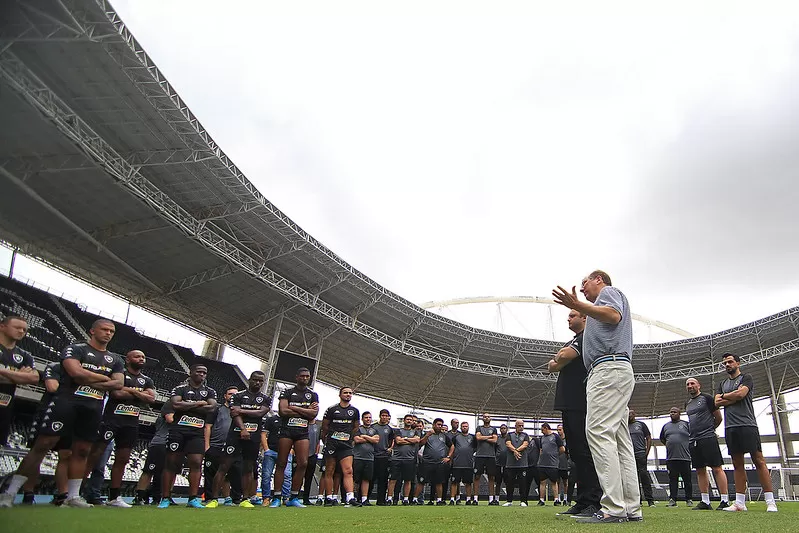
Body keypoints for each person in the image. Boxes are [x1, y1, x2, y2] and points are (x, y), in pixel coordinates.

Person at [0, 319, 124, 509]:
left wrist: (88, 377)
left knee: (82, 450)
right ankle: (9, 493)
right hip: (66, 402)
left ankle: (73, 496)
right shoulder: (75, 349)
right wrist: (103, 378)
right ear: (92, 330)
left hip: (93, 406)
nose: (108, 333)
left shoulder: (115, 359)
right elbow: (75, 373)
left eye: (112, 331)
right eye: (104, 329)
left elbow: (118, 384)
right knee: (43, 444)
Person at [553, 270, 640, 523]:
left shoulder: (608, 293)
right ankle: (631, 508)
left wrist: (577, 305)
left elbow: (613, 316)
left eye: (585, 283)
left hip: (607, 368)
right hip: (616, 369)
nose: (582, 289)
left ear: (599, 280)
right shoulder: (594, 312)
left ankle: (613, 507)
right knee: (620, 440)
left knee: (599, 433)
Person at [85, 349, 155, 508]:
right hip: (111, 420)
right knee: (95, 455)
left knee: (123, 459)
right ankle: (76, 492)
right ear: (128, 359)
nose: (141, 359)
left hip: (131, 423)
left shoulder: (147, 380)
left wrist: (128, 391)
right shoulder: (119, 373)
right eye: (137, 356)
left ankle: (114, 497)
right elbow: (116, 393)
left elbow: (151, 398)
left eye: (143, 356)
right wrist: (138, 393)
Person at [548, 309, 601, 516]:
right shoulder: (575, 339)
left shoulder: (587, 337)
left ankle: (594, 501)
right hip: (569, 404)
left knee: (585, 453)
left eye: (572, 315)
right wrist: (559, 360)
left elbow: (562, 356)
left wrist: (560, 357)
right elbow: (551, 366)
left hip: (581, 403)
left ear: (585, 318)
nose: (568, 319)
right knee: (577, 455)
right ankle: (582, 500)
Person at [715, 353, 777, 512]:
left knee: (758, 460)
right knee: (737, 464)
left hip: (748, 424)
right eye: (725, 363)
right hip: (730, 427)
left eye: (730, 362)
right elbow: (717, 401)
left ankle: (770, 501)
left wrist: (727, 397)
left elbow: (742, 394)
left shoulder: (746, 377)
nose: (727, 365)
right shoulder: (722, 383)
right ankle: (740, 503)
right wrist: (732, 396)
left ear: (737, 363)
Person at [158, 363, 217, 509]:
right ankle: (165, 497)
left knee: (196, 462)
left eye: (204, 373)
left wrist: (188, 405)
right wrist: (199, 404)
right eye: (199, 372)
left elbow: (212, 407)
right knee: (171, 463)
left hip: (197, 432)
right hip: (178, 430)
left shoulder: (210, 391)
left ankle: (192, 498)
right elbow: (176, 405)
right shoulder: (179, 389)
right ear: (191, 372)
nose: (202, 375)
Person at [208, 372, 269, 508]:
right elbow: (234, 414)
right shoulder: (238, 396)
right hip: (235, 435)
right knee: (224, 466)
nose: (257, 383)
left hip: (253, 437)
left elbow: (260, 413)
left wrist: (242, 410)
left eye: (260, 381)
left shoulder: (265, 398)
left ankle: (245, 499)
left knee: (248, 468)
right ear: (249, 380)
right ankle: (214, 499)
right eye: (255, 380)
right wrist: (242, 429)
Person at [21, 361, 69, 506]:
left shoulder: (86, 372)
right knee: (38, 451)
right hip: (49, 412)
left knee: (66, 454)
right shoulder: (55, 367)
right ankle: (24, 492)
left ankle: (62, 495)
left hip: (71, 415)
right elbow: (52, 386)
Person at [271, 367, 319, 507]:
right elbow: (283, 411)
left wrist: (295, 408)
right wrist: (305, 411)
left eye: (307, 376)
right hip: (286, 430)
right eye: (302, 376)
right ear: (297, 377)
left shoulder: (313, 395)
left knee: (303, 463)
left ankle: (293, 497)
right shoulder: (287, 392)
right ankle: (277, 497)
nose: (305, 378)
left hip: (302, 432)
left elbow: (313, 415)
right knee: (281, 463)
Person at [684, 377, 729, 510]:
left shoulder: (707, 398)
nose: (690, 386)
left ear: (699, 385)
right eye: (688, 384)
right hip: (693, 440)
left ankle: (725, 500)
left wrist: (710, 429)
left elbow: (718, 417)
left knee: (716, 468)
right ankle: (705, 501)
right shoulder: (687, 403)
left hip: (708, 437)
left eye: (692, 383)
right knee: (700, 470)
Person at [0, 315, 37, 446]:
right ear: (2, 326)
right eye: (17, 327)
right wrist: (17, 376)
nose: (21, 331)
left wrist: (3, 371)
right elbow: (25, 378)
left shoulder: (25, 355)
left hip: (4, 407)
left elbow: (34, 378)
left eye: (24, 329)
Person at [319, 386, 360, 507]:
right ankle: (329, 498)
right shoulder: (331, 409)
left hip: (346, 445)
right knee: (329, 471)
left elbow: (356, 427)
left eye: (350, 393)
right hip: (332, 443)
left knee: (348, 470)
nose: (348, 395)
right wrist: (327, 439)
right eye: (345, 393)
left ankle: (350, 497)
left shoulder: (355, 411)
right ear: (340, 394)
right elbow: (325, 426)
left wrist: (349, 438)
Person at [204, 386, 242, 505]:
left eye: (235, 394)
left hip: (234, 447)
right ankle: (210, 498)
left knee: (234, 473)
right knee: (211, 473)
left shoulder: (241, 411)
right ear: (225, 396)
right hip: (216, 445)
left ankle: (235, 498)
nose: (232, 396)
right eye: (230, 394)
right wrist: (207, 446)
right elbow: (208, 427)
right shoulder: (217, 409)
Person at [133, 402, 174, 505]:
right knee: (149, 470)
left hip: (173, 443)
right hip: (160, 443)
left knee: (171, 471)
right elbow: (170, 419)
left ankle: (165, 496)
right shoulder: (169, 406)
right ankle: (139, 496)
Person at [414, 418, 452, 506]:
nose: (440, 426)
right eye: (438, 424)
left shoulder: (444, 436)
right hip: (427, 462)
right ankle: (415, 499)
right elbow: (420, 443)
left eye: (441, 425)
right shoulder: (427, 434)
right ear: (434, 425)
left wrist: (448, 457)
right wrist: (427, 435)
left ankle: (439, 500)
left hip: (439, 462)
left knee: (439, 482)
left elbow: (452, 446)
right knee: (421, 481)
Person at [660, 407, 693, 507]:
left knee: (687, 479)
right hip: (671, 458)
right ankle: (672, 499)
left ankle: (689, 499)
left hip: (685, 457)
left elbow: (692, 436)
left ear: (679, 413)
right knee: (673, 480)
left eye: (674, 412)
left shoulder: (686, 424)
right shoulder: (666, 426)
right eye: (670, 412)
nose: (672, 414)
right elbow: (662, 439)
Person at [387, 414, 421, 505]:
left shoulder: (416, 432)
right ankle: (390, 498)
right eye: (407, 419)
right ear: (404, 421)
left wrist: (404, 439)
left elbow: (417, 440)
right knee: (393, 479)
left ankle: (405, 499)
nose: (409, 421)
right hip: (396, 458)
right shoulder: (398, 431)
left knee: (408, 480)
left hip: (409, 459)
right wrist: (410, 440)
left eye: (411, 420)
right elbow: (398, 441)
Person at [261, 410, 292, 505]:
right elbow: (263, 434)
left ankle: (286, 498)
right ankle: (266, 498)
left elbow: (296, 436)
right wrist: (266, 449)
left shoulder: (291, 420)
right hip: (272, 451)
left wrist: (291, 450)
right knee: (266, 475)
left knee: (287, 475)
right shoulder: (271, 419)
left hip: (286, 452)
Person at [628, 409, 655, 507]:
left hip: (640, 454)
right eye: (628, 414)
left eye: (631, 413)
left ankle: (650, 500)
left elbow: (648, 438)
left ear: (635, 414)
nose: (629, 415)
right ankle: (637, 500)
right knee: (633, 479)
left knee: (644, 476)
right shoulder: (624, 426)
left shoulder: (641, 425)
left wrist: (646, 452)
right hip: (629, 455)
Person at [353, 411, 379, 505]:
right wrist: (369, 439)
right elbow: (357, 440)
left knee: (366, 479)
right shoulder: (358, 429)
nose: (368, 419)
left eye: (369, 417)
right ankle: (354, 498)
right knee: (355, 479)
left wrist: (364, 437)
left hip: (369, 458)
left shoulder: (374, 430)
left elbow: (376, 440)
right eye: (366, 417)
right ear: (362, 419)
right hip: (357, 457)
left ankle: (364, 499)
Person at [537, 423, 565, 506]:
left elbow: (562, 449)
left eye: (542, 430)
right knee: (542, 482)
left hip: (552, 464)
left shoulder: (555, 437)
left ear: (546, 428)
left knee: (554, 482)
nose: (542, 432)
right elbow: (541, 449)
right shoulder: (542, 438)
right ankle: (541, 500)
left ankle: (556, 500)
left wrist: (555, 455)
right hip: (542, 464)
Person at [502, 419, 529, 507]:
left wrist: (516, 451)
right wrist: (514, 451)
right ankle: (509, 500)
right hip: (510, 464)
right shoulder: (510, 435)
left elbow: (525, 444)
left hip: (522, 464)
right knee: (510, 482)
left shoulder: (525, 435)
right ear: (515, 426)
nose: (521, 427)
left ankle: (523, 501)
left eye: (522, 426)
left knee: (523, 483)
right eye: (519, 425)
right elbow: (508, 444)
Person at [449, 421, 476, 505]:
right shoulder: (456, 437)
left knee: (468, 483)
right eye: (463, 426)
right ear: (460, 427)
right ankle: (452, 499)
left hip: (468, 464)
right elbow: (452, 447)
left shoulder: (472, 437)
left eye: (466, 426)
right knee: (454, 482)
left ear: (468, 427)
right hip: (457, 464)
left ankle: (468, 499)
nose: (464, 427)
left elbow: (475, 448)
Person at [473, 413, 498, 505]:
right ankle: (475, 499)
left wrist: (483, 438)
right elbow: (478, 437)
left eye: (488, 416)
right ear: (482, 418)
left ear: (490, 418)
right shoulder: (479, 428)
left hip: (491, 456)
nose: (486, 418)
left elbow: (495, 440)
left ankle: (491, 499)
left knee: (491, 477)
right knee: (477, 477)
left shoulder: (494, 429)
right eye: (485, 416)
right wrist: (489, 437)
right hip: (479, 456)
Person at [372, 409, 394, 505]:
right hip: (372, 456)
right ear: (380, 416)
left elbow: (391, 440)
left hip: (384, 457)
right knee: (370, 478)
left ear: (388, 417)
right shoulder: (373, 427)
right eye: (383, 415)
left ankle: (381, 500)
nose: (384, 417)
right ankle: (364, 498)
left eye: (386, 416)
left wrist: (390, 448)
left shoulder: (389, 429)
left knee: (383, 479)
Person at [301, 419, 320, 505]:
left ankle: (306, 498)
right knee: (298, 475)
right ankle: (293, 496)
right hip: (301, 454)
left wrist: (316, 453)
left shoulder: (318, 427)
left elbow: (318, 442)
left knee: (309, 478)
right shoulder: (303, 424)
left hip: (312, 455)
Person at [495, 424, 509, 502]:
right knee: (498, 481)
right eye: (502, 428)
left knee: (508, 481)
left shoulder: (509, 438)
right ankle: (496, 498)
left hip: (507, 463)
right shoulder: (497, 438)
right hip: (498, 463)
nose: (503, 430)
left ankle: (508, 498)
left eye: (504, 428)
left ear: (507, 429)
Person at [556, 425, 570, 504]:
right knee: (557, 482)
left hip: (565, 464)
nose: (558, 431)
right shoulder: (556, 439)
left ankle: (565, 498)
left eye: (560, 430)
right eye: (557, 430)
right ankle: (557, 498)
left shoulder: (567, 440)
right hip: (557, 463)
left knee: (565, 482)